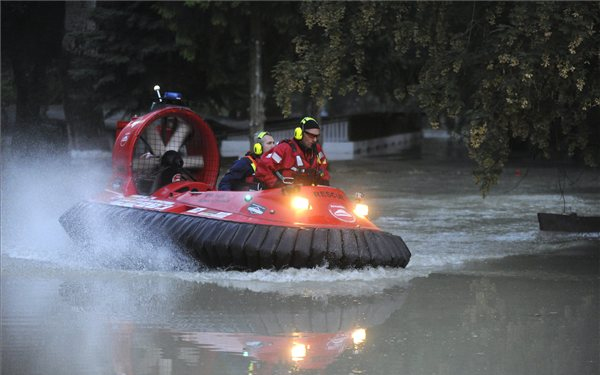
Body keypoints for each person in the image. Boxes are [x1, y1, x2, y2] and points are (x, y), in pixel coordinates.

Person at [255, 117, 329, 188]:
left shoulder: (317, 149)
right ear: (299, 134)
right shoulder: (284, 148)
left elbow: (323, 167)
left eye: (317, 136)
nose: (315, 140)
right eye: (311, 136)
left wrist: (325, 182)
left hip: (309, 193)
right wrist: (277, 185)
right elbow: (263, 169)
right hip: (285, 195)